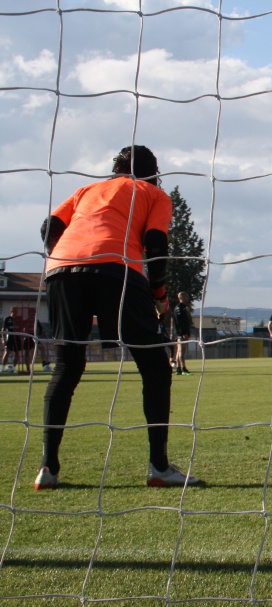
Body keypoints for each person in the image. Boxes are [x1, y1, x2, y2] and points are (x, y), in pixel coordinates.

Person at [33, 145, 200, 490]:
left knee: (67, 367)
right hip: (118, 268)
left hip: (62, 269)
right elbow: (156, 244)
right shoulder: (153, 193)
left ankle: (47, 469)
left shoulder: (87, 190)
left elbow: (49, 226)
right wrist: (159, 296)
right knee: (154, 366)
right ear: (154, 172)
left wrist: (64, 255)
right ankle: (159, 467)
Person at [172, 291, 193, 375]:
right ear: (181, 297)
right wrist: (183, 333)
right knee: (181, 350)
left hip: (183, 332)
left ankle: (178, 369)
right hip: (180, 333)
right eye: (186, 297)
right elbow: (180, 322)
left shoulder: (184, 307)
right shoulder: (179, 308)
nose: (187, 298)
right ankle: (183, 368)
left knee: (180, 351)